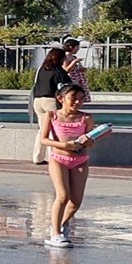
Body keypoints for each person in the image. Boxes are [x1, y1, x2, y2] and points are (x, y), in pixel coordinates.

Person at [36, 84, 104, 248]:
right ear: (61, 99)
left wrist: (89, 141)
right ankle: (55, 234)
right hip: (59, 159)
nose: (77, 102)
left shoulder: (86, 118)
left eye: (81, 99)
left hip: (80, 160)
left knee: (76, 202)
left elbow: (90, 142)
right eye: (73, 98)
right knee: (63, 195)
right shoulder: (52, 115)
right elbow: (44, 139)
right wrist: (64, 146)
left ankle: (61, 224)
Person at [29, 47, 69, 165]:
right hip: (51, 101)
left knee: (42, 129)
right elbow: (67, 87)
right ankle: (56, 156)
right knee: (55, 129)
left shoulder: (41, 70)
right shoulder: (59, 72)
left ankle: (37, 157)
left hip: (38, 101)